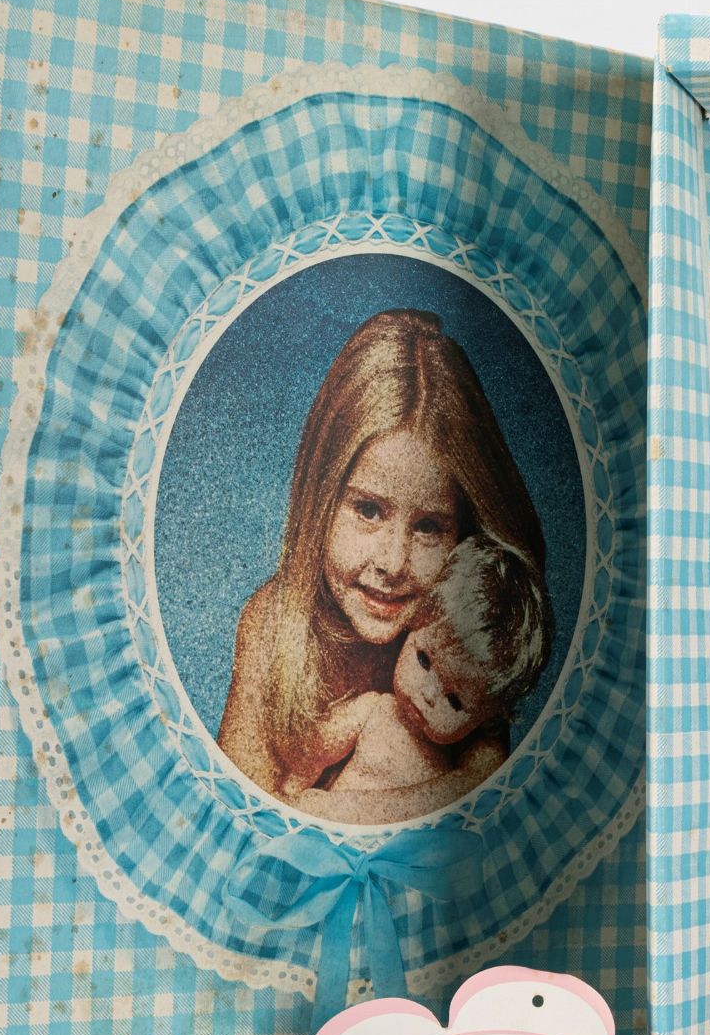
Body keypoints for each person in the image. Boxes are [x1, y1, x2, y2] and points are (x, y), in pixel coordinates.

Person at [217, 308, 549, 824]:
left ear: (465, 531)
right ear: (320, 500)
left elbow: (483, 788)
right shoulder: (272, 624)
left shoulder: (458, 637)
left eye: (429, 526)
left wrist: (350, 811)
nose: (393, 562)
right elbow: (239, 812)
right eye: (368, 510)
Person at [285, 537, 547, 820]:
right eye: (424, 660)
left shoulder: (459, 770)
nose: (428, 695)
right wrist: (291, 792)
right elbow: (315, 750)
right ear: (413, 624)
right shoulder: (376, 710)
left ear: (486, 719)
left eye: (454, 701)